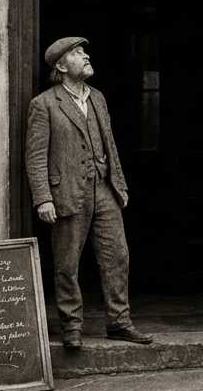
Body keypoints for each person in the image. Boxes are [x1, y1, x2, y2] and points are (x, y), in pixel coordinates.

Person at [25, 36, 153, 351]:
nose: (86, 55)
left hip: (104, 189)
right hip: (66, 192)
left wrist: (119, 184)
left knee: (117, 257)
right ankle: (72, 327)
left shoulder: (98, 98)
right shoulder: (44, 104)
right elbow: (35, 156)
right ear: (61, 64)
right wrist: (43, 197)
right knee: (67, 264)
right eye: (77, 52)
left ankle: (119, 323)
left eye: (83, 51)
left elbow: (109, 145)